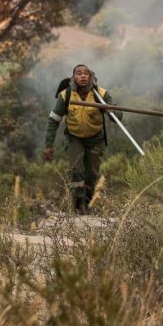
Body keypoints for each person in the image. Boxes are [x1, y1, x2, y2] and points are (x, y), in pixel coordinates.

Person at [43, 64, 113, 214]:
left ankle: (88, 205)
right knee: (76, 171)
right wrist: (48, 145)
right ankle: (77, 206)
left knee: (92, 174)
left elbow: (117, 117)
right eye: (79, 73)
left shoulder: (101, 94)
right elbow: (53, 120)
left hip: (96, 139)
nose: (83, 76)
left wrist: (109, 110)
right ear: (73, 77)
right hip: (75, 138)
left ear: (90, 77)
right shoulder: (65, 95)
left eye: (86, 73)